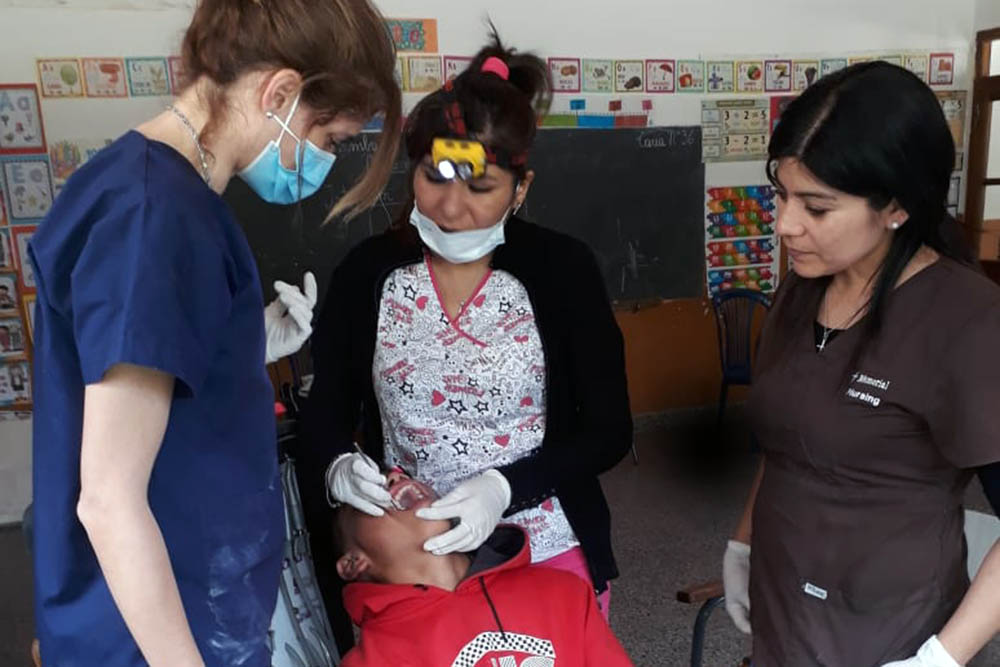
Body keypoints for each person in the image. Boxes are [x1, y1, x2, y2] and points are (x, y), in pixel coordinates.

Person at [28, 1, 401, 665]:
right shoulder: (153, 215)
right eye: (332, 139)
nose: (325, 159)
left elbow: (142, 368)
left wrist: (246, 342)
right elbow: (109, 503)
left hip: (189, 595)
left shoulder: (169, 193)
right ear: (280, 92)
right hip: (156, 631)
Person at [299, 33, 632, 647]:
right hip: (414, 567)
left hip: (545, 544)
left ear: (520, 188)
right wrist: (336, 464)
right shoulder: (370, 273)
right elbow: (327, 408)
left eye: (480, 188)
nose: (452, 208)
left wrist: (506, 487)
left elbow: (610, 429)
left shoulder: (561, 271)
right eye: (434, 178)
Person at [720, 62, 1000, 667]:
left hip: (893, 631)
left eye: (817, 207)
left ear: (895, 206)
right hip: (784, 606)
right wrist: (743, 540)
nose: (786, 224)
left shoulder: (969, 320)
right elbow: (787, 438)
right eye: (782, 193)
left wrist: (941, 657)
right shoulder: (801, 288)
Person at [332, 469, 632, 666]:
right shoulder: (371, 660)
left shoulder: (564, 592)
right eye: (367, 495)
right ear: (352, 563)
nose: (395, 479)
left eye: (399, 474)